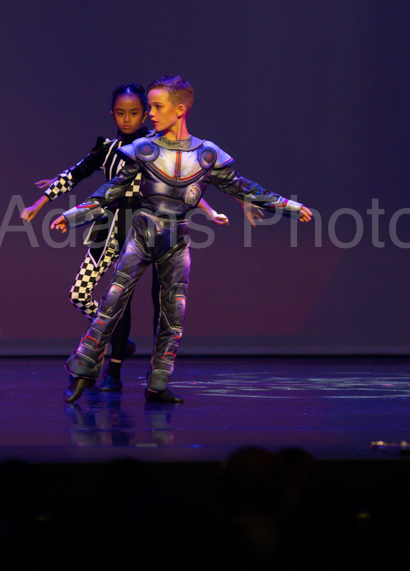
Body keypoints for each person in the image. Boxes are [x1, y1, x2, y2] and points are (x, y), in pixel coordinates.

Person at [52, 75, 313, 403]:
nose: (150, 114)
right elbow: (112, 189)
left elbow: (244, 187)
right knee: (112, 300)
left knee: (173, 313)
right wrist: (74, 216)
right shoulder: (144, 150)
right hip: (142, 233)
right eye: (150, 107)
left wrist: (288, 206)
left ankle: (158, 383)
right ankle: (84, 369)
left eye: (157, 107)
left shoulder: (206, 155)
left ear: (179, 110)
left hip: (176, 240)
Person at [22, 83, 227, 391]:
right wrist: (39, 204)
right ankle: (115, 341)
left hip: (147, 228)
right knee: (83, 294)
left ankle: (124, 372)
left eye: (133, 113)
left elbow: (183, 186)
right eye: (120, 113)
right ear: (112, 115)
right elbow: (76, 173)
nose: (127, 119)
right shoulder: (107, 148)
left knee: (153, 300)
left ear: (144, 114)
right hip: (109, 227)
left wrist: (209, 211)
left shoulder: (153, 147)